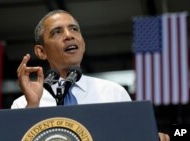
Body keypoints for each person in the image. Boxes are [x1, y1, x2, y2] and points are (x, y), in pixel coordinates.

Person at [11, 9, 170, 141]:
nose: (69, 35)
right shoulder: (23, 104)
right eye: (57, 32)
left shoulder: (112, 92)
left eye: (74, 29)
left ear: (83, 43)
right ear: (41, 51)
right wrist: (32, 108)